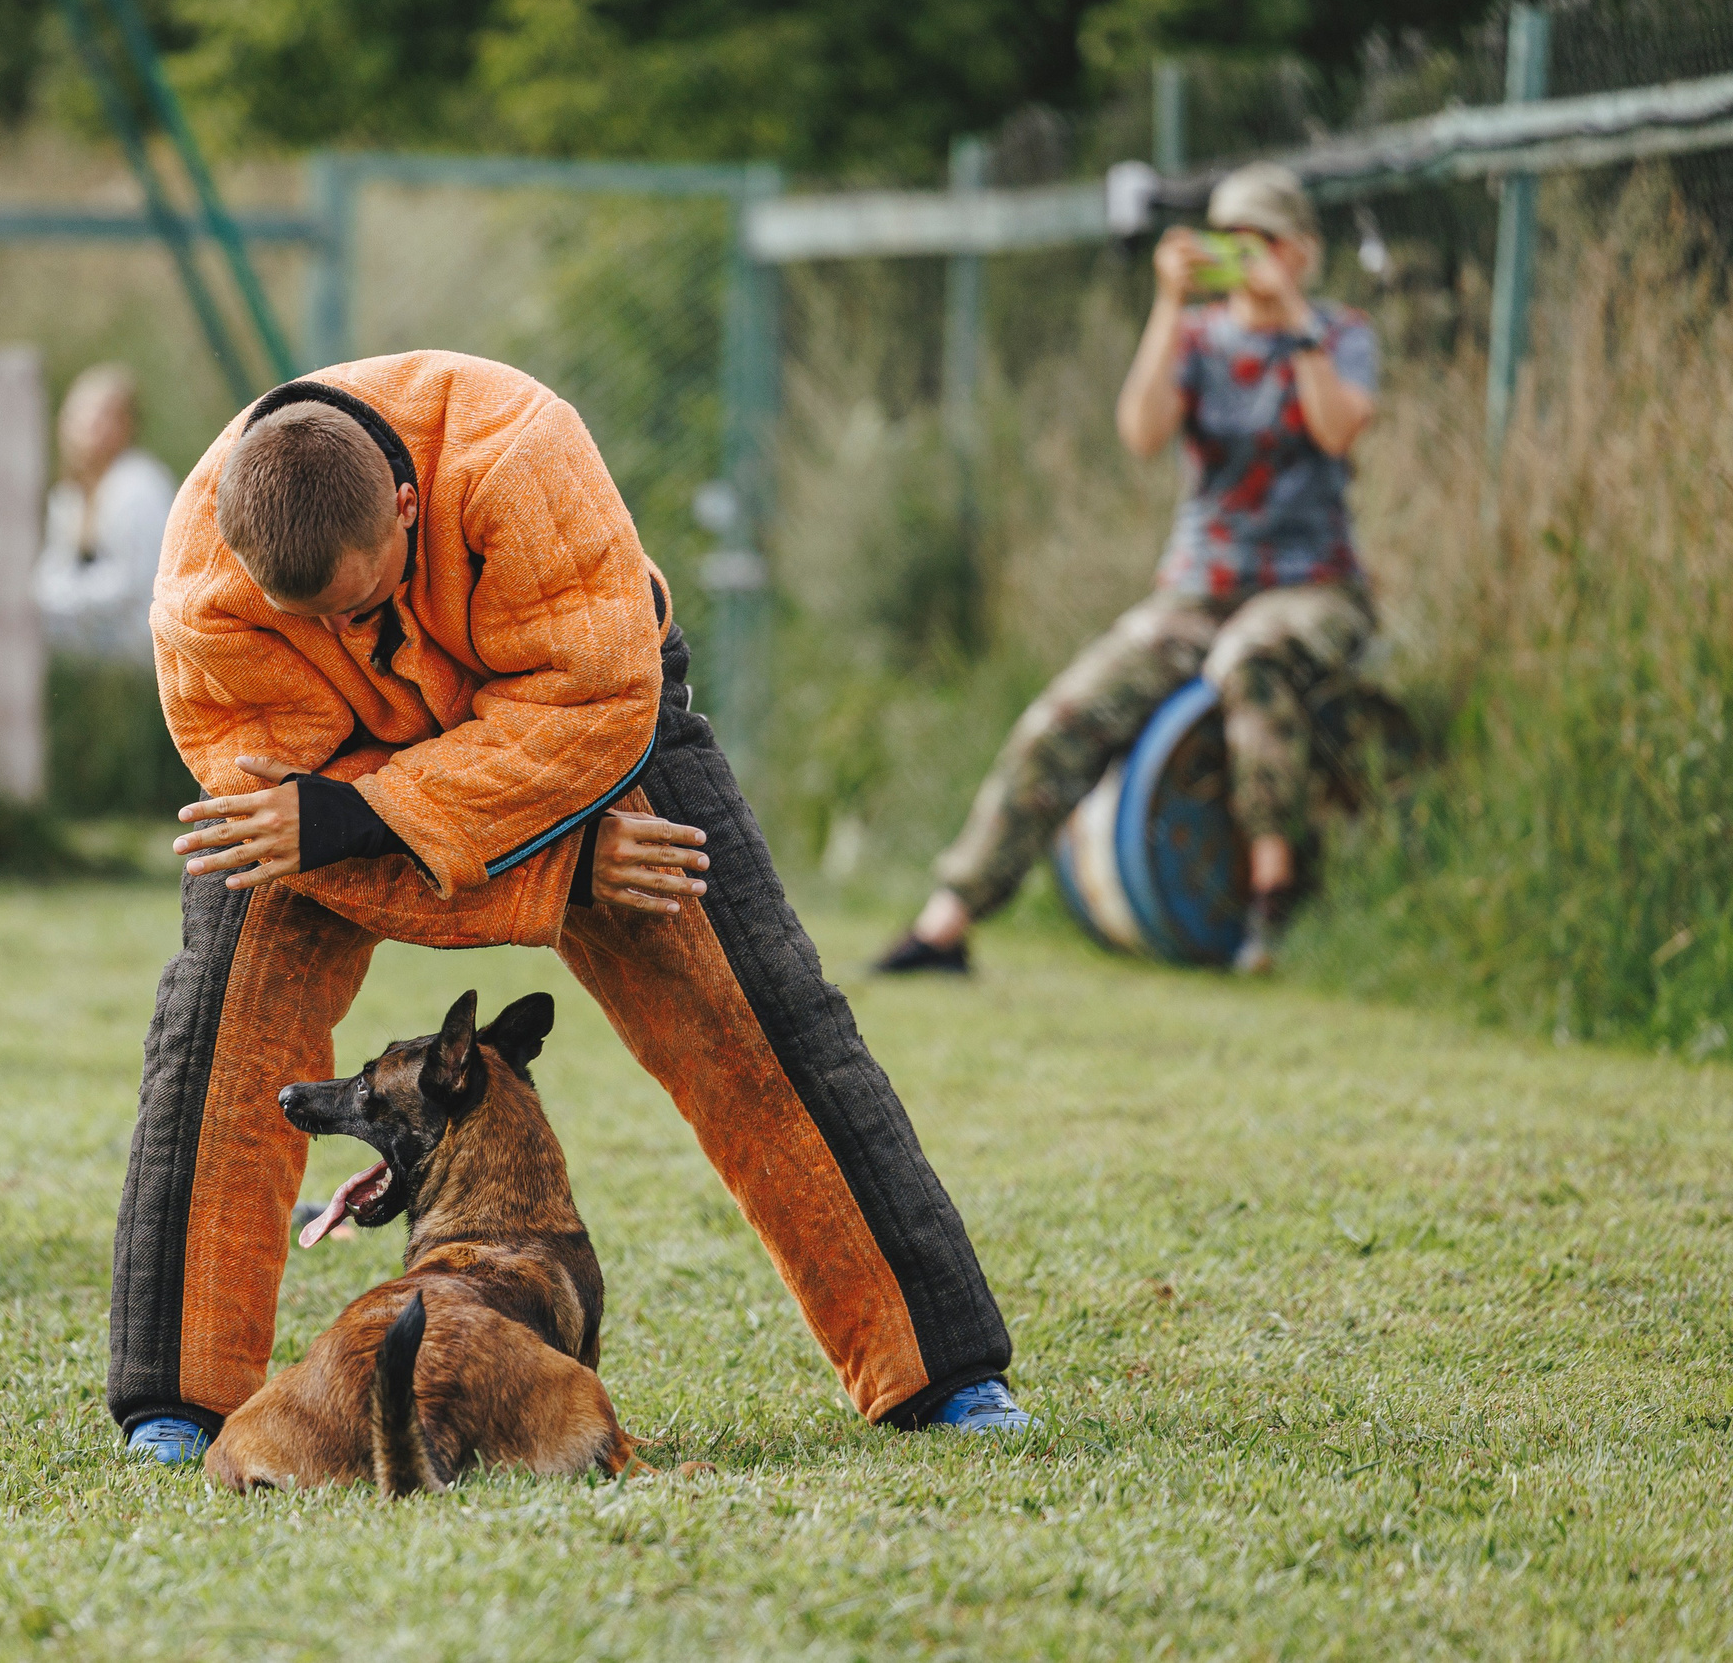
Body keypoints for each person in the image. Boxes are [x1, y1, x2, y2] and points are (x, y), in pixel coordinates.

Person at [112, 351, 1032, 1467]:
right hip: (354, 805)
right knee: (216, 1038)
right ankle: (178, 1407)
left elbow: (590, 708)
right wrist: (562, 874)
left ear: (408, 510)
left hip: (588, 744)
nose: (349, 632)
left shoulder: (520, 453)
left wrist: (407, 819)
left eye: (364, 602)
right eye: (313, 621)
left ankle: (941, 1374)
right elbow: (290, 831)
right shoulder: (200, 589)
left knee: (762, 1020)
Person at [876, 162, 1378, 979]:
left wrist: (1294, 325)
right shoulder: (1199, 338)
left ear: (1303, 254)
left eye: (1266, 243)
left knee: (1250, 657)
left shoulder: (1341, 334)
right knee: (1065, 713)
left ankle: (1269, 900)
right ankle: (948, 921)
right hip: (1198, 589)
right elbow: (1142, 431)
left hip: (1313, 589)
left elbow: (1337, 432)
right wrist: (1171, 305)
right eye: (1233, 242)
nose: (1248, 259)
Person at [34, 362, 178, 663]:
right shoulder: (70, 495)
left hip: (138, 639)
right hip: (93, 632)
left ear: (126, 425)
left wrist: (54, 601)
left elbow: (135, 584)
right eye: (80, 413)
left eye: (103, 414)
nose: (89, 424)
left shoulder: (139, 485)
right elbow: (56, 570)